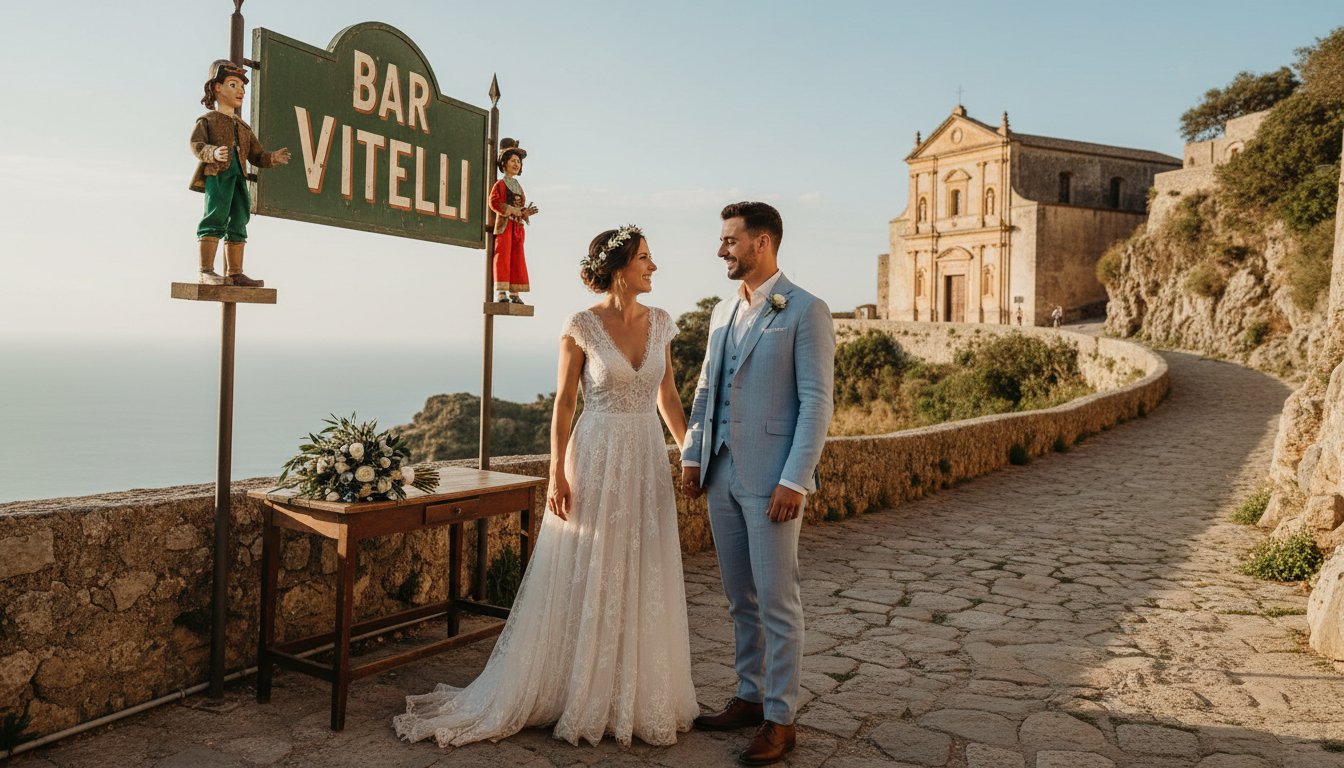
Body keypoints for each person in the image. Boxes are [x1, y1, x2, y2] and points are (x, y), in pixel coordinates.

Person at [394, 224, 698, 748]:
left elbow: (667, 397)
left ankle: (629, 692)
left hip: (645, 458)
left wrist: (688, 453)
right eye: (645, 258)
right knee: (590, 566)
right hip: (595, 457)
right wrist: (557, 472)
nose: (654, 266)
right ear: (619, 268)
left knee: (641, 564)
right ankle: (577, 687)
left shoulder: (662, 323)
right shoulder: (581, 325)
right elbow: (564, 404)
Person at [680, 201, 835, 766]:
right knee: (739, 598)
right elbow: (705, 389)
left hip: (773, 479)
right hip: (720, 472)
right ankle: (749, 696)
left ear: (762, 242)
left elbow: (816, 403)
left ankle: (781, 718)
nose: (721, 249)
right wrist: (693, 454)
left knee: (777, 601)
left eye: (730, 240)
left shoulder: (805, 309)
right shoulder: (723, 312)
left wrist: (796, 479)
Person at [189, 59, 290, 287]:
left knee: (239, 218)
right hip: (218, 175)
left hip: (238, 177)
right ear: (217, 87)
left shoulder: (243, 127)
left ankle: (235, 272)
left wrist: (272, 158)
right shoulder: (208, 120)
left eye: (242, 87)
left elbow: (256, 155)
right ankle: (205, 270)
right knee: (215, 216)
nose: (240, 91)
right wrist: (212, 153)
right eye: (233, 85)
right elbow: (196, 144)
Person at [489, 138, 540, 304]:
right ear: (504, 163)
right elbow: (494, 202)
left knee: (517, 258)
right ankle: (501, 292)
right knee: (503, 256)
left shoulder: (518, 186)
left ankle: (515, 292)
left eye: (518, 161)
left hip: (517, 227)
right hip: (505, 226)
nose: (516, 164)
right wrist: (512, 210)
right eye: (513, 160)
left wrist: (525, 213)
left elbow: (521, 206)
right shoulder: (500, 184)